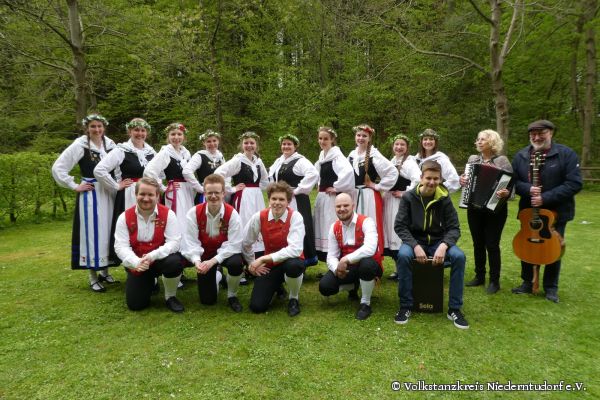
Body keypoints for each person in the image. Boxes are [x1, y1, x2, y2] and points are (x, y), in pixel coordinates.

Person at [511, 120, 582, 303]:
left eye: (541, 133)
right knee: (526, 243)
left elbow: (574, 183)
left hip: (556, 212)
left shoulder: (566, 154)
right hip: (529, 211)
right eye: (532, 134)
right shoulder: (521, 156)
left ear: (550, 132)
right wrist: (527, 188)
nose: (536, 137)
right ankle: (527, 282)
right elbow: (514, 182)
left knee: (554, 248)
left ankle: (551, 287)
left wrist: (546, 197)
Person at [394, 160, 468, 329]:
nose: (432, 182)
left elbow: (454, 228)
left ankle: (454, 309)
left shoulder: (444, 198)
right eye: (428, 178)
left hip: (437, 242)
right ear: (421, 178)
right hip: (414, 242)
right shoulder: (408, 197)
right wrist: (415, 245)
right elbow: (400, 226)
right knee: (404, 256)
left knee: (459, 257)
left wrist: (444, 245)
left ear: (440, 179)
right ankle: (405, 306)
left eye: (436, 179)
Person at [52, 113, 118, 292]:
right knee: (92, 233)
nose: (97, 130)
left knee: (107, 231)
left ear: (104, 127)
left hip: (109, 193)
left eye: (99, 126)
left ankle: (104, 270)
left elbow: (118, 168)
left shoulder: (110, 145)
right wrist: (74, 185)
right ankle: (92, 275)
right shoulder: (80, 145)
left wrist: (118, 185)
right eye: (93, 127)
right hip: (91, 194)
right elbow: (59, 167)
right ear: (86, 128)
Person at [113, 177, 185, 312]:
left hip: (159, 260)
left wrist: (152, 256)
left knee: (174, 261)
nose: (146, 198)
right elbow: (120, 246)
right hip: (139, 263)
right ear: (136, 195)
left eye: (150, 194)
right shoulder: (124, 217)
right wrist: (136, 262)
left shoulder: (168, 214)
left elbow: (174, 242)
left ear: (158, 196)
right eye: (142, 194)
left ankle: (170, 296)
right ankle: (151, 282)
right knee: (136, 305)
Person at [94, 117, 156, 263]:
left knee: (150, 227)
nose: (140, 133)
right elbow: (99, 169)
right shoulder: (121, 150)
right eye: (136, 130)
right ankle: (133, 264)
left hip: (150, 195)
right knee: (132, 227)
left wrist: (162, 187)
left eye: (143, 130)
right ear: (129, 131)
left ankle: (150, 266)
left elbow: (159, 173)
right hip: (130, 195)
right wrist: (116, 185)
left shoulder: (151, 151)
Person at [460, 129, 512, 294]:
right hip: (474, 207)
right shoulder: (473, 159)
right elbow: (467, 180)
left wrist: (506, 193)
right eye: (478, 139)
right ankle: (479, 276)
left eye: (483, 139)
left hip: (495, 209)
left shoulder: (502, 161)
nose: (479, 142)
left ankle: (494, 281)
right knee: (477, 243)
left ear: (492, 142)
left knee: (492, 244)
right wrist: (462, 180)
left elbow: (511, 185)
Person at [183, 174, 244, 312]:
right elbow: (191, 241)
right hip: (203, 256)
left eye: (217, 192)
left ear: (223, 193)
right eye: (209, 193)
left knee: (236, 263)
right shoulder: (193, 213)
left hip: (225, 254)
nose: (213, 196)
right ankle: (218, 275)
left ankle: (232, 295)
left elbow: (234, 244)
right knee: (207, 301)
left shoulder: (232, 214)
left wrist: (213, 261)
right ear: (204, 193)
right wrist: (197, 261)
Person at [243, 182, 305, 317]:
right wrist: (251, 263)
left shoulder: (296, 217)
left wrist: (263, 258)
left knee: (293, 266)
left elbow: (295, 249)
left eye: (282, 199)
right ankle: (278, 287)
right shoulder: (259, 216)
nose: (277, 203)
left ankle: (294, 298)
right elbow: (245, 242)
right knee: (257, 306)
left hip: (291, 261)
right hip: (271, 265)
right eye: (274, 199)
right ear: (269, 199)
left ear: (288, 201)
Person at [319, 193, 382, 320]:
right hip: (348, 268)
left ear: (353, 206)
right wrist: (337, 269)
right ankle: (355, 285)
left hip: (369, 265)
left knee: (367, 265)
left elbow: (370, 248)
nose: (342, 209)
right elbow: (331, 255)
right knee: (325, 287)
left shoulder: (366, 222)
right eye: (338, 206)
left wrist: (346, 259)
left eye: (346, 205)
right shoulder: (334, 227)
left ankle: (365, 303)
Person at [348, 124, 398, 267]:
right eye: (358, 135)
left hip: (369, 196)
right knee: (355, 226)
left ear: (369, 138)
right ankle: (354, 259)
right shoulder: (351, 155)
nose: (361, 138)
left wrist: (377, 186)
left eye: (364, 136)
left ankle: (374, 262)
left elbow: (392, 172)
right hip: (354, 195)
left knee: (370, 227)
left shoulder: (374, 155)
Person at [268, 133, 319, 266]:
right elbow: (271, 176)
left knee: (298, 227)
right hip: (281, 200)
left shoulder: (300, 160)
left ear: (295, 146)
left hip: (297, 201)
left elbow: (313, 173)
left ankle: (302, 260)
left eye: (289, 144)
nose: (286, 146)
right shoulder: (279, 161)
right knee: (283, 227)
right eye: (284, 144)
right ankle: (284, 258)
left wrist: (297, 190)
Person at [215, 131, 268, 254]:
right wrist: (231, 189)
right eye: (246, 143)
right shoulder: (238, 160)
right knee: (245, 221)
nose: (249, 145)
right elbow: (219, 173)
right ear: (242, 145)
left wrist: (256, 188)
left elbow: (265, 180)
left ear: (256, 145)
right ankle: (241, 252)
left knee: (257, 221)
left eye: (252, 143)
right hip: (243, 197)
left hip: (257, 197)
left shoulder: (258, 162)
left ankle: (257, 251)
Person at [313, 127, 354, 261]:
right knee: (323, 226)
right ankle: (329, 261)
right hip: (322, 197)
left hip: (332, 199)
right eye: (320, 138)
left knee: (332, 226)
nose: (322, 141)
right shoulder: (322, 156)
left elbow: (348, 172)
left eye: (325, 139)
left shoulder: (336, 156)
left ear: (332, 140)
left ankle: (338, 258)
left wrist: (336, 187)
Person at [383, 134, 421, 281]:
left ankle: (406, 269)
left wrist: (405, 193)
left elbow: (418, 179)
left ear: (407, 148)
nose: (399, 147)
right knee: (392, 232)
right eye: (396, 144)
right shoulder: (392, 161)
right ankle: (398, 268)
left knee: (400, 231)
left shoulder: (409, 163)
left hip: (400, 203)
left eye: (402, 145)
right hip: (390, 201)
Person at [182, 129, 226, 204]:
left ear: (218, 141)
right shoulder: (200, 156)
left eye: (214, 141)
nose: (212, 144)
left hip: (219, 195)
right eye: (208, 141)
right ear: (204, 143)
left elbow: (226, 174)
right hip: (205, 196)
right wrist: (199, 188)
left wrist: (227, 188)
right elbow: (186, 171)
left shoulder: (220, 156)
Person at [414, 129, 460, 193]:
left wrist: (436, 190)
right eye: (425, 139)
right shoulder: (416, 158)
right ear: (421, 142)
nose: (428, 142)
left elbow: (454, 180)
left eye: (431, 139)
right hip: (417, 196)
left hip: (434, 197)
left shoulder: (441, 159)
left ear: (435, 142)